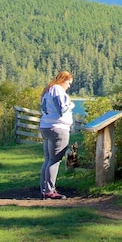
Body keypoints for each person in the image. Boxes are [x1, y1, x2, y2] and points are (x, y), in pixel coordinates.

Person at [38, 71, 74, 199]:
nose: (69, 86)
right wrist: (70, 105)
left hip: (46, 126)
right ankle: (49, 190)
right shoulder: (58, 90)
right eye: (69, 83)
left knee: (48, 159)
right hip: (58, 128)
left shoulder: (47, 91)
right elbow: (61, 109)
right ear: (63, 80)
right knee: (55, 160)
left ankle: (44, 188)